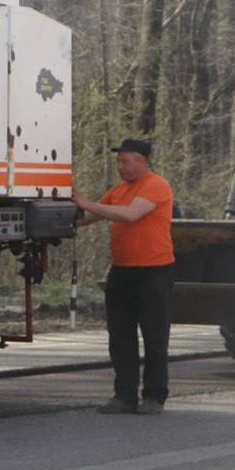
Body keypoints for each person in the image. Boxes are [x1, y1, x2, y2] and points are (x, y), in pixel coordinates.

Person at [73, 138, 175, 415]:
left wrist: (87, 202)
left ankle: (154, 396)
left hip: (153, 272)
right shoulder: (118, 190)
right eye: (119, 161)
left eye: (125, 161)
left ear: (141, 161)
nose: (120, 167)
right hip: (122, 271)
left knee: (154, 336)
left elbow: (130, 215)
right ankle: (124, 395)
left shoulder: (156, 185)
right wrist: (63, 212)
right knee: (120, 336)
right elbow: (88, 216)